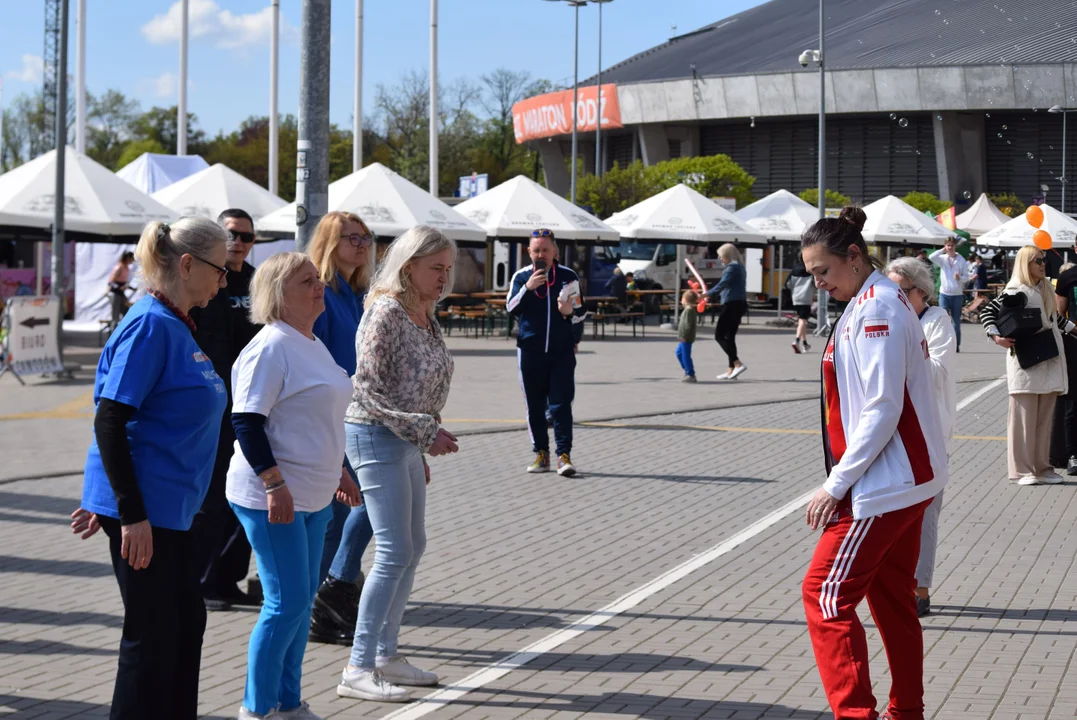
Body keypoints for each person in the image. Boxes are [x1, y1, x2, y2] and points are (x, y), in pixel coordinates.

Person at [70, 217, 231, 720]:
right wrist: (126, 511)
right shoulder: (148, 325)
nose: (225, 280)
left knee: (185, 624)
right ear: (186, 265)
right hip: (148, 512)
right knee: (153, 635)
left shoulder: (176, 322)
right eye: (219, 270)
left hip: (172, 509)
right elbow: (112, 419)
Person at [800, 207, 949, 720]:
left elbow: (883, 407)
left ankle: (858, 715)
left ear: (854, 257)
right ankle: (906, 711)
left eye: (823, 271)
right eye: (812, 274)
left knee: (824, 595)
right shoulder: (872, 300)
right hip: (902, 480)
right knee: (892, 602)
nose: (818, 284)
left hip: (886, 484)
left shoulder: (877, 307)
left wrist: (835, 485)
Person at [226, 252, 361, 720]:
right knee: (284, 605)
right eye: (307, 281)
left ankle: (288, 702)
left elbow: (322, 417)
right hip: (273, 496)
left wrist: (339, 470)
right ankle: (256, 709)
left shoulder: (310, 341)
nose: (319, 286)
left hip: (314, 492)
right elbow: (246, 421)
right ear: (279, 294)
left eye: (318, 278)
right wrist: (273, 482)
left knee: (301, 605)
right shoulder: (271, 346)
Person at [336, 226, 459, 703]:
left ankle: (386, 655)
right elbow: (364, 388)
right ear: (408, 266)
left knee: (413, 544)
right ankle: (358, 667)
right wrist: (423, 432)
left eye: (448, 269)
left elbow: (428, 383)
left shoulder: (424, 312)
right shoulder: (386, 310)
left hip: (404, 440)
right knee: (392, 550)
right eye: (436, 268)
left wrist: (421, 435)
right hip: (374, 435)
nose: (444, 278)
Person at [305, 211, 375, 646]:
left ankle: (318, 601)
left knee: (336, 514)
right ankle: (336, 585)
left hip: (359, 410)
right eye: (353, 238)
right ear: (332, 242)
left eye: (367, 238)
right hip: (333, 414)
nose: (363, 245)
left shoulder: (355, 292)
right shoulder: (321, 293)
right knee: (369, 501)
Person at [188, 208, 262, 612]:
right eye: (232, 234)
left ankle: (228, 577)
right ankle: (202, 580)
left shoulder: (256, 281)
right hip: (213, 406)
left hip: (251, 406)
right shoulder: (206, 281)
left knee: (245, 496)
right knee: (213, 498)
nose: (239, 242)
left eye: (247, 237)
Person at [886, 257, 957, 618]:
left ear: (922, 292)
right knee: (891, 514)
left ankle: (920, 588)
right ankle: (891, 584)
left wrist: (910, 345)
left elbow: (937, 373)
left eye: (901, 292)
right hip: (889, 432)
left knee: (925, 515)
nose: (894, 299)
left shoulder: (937, 321)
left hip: (928, 435)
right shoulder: (886, 320)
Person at [980, 245, 1076, 486]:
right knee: (1023, 421)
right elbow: (988, 311)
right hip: (1026, 362)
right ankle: (1022, 471)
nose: (1042, 264)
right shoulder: (1015, 291)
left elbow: (1054, 319)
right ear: (1025, 264)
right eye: (1036, 261)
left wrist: (1073, 329)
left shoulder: (1043, 287)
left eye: (1043, 260)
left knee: (1044, 422)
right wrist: (996, 337)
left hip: (1050, 360)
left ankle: (1043, 468)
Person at [507, 229, 587, 477]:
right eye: (536, 250)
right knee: (534, 405)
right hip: (530, 350)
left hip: (561, 351)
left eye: (545, 249)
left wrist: (568, 313)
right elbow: (510, 307)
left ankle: (564, 455)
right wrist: (528, 288)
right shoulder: (521, 276)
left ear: (555, 251)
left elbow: (581, 313)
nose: (541, 254)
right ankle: (541, 454)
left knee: (561, 404)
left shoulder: (567, 276)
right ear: (529, 252)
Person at [708, 243, 748, 379]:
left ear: (727, 255)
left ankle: (737, 363)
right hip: (739, 304)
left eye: (721, 256)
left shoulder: (732, 268)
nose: (720, 259)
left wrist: (707, 294)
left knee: (719, 335)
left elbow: (723, 284)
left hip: (732, 304)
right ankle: (731, 369)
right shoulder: (741, 267)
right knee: (730, 336)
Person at [1053, 261, 1077, 475]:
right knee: (1073, 402)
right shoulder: (1067, 277)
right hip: (1074, 345)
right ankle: (1072, 455)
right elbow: (1059, 314)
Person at [929, 237, 969, 350]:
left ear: (955, 246)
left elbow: (967, 278)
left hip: (957, 294)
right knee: (943, 319)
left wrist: (959, 278)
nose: (950, 248)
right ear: (945, 246)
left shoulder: (961, 260)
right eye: (948, 245)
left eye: (952, 245)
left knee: (956, 321)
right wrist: (943, 250)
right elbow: (931, 257)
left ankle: (956, 345)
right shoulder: (942, 258)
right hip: (944, 293)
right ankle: (943, 344)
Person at [789, 253, 815, 354]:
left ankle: (805, 343)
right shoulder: (810, 270)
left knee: (802, 320)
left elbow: (788, 284)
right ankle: (796, 340)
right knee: (802, 321)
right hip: (806, 298)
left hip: (796, 298)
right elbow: (815, 283)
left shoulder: (794, 269)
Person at [107, 251, 136, 327]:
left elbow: (124, 282)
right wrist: (119, 288)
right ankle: (113, 333)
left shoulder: (126, 268)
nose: (133, 260)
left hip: (121, 293)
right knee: (115, 316)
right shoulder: (119, 267)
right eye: (132, 258)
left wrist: (132, 288)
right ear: (128, 258)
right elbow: (110, 282)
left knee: (126, 312)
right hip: (115, 293)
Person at [675, 290, 699, 383]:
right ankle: (687, 370)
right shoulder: (688, 310)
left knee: (685, 355)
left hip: (686, 338)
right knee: (679, 353)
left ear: (684, 300)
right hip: (683, 337)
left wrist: (685, 336)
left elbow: (688, 325)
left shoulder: (689, 311)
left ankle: (690, 374)